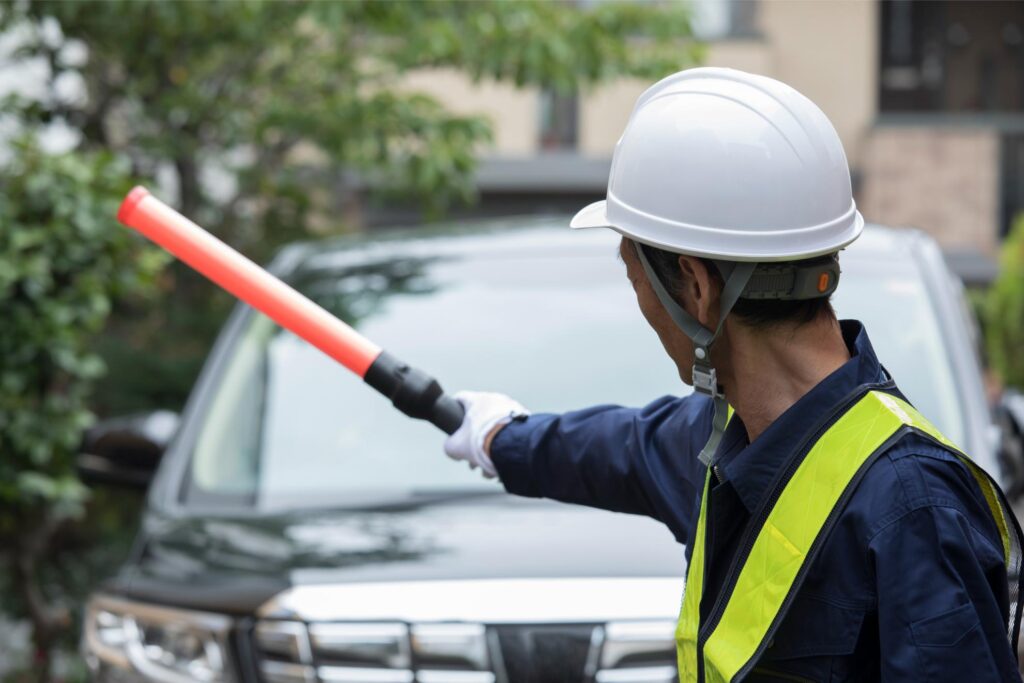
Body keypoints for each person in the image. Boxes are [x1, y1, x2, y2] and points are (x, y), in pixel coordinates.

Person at [442, 68, 1024, 682]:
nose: (640, 302)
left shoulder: (913, 506)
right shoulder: (721, 436)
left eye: (633, 275)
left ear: (695, 287)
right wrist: (498, 436)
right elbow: (609, 448)